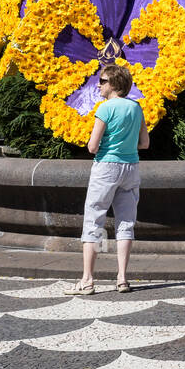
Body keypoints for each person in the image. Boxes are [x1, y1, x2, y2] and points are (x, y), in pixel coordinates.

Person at [65, 62, 149, 296]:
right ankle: (122, 278)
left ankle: (87, 280)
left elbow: (92, 146)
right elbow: (145, 143)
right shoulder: (136, 108)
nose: (98, 85)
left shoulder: (105, 108)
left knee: (94, 220)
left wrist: (107, 146)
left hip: (106, 167)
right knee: (126, 223)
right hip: (131, 167)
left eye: (102, 81)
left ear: (113, 84)